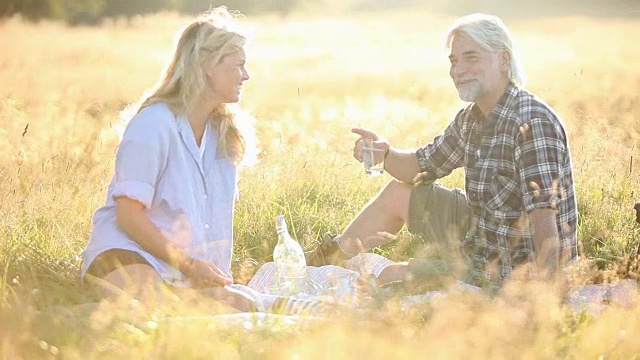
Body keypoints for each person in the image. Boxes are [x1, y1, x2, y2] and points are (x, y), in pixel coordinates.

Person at [307, 13, 578, 292]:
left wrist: (545, 300)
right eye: (454, 60)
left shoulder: (531, 122)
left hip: (511, 266)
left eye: (471, 57)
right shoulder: (471, 119)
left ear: (504, 60)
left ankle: (427, 274)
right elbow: (419, 166)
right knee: (400, 192)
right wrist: (384, 154)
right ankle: (323, 260)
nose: (458, 70)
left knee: (389, 280)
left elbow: (544, 219)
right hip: (480, 233)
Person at [81, 7, 256, 311]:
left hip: (182, 271)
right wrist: (189, 265)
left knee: (240, 308)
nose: (246, 75)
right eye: (239, 65)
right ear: (207, 65)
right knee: (156, 311)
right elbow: (128, 215)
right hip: (127, 255)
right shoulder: (154, 123)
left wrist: (206, 274)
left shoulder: (225, 135)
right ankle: (39, 321)